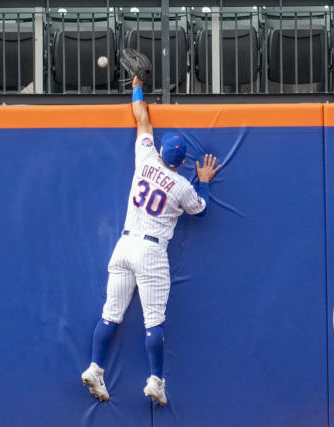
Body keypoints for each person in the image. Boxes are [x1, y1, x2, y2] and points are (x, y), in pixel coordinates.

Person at [81, 76, 222, 405]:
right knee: (153, 320)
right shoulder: (182, 186)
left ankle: (95, 367)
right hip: (151, 251)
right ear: (182, 163)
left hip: (124, 245)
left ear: (160, 153)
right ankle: (156, 381)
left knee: (110, 314)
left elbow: (142, 118)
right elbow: (200, 211)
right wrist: (202, 182)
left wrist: (137, 86)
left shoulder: (144, 161)